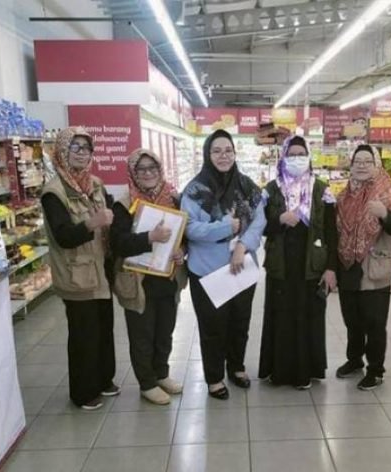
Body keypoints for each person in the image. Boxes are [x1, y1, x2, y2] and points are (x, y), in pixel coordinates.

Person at [181, 129, 266, 400]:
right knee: (213, 327)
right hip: (207, 270)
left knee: (240, 322)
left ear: (234, 153)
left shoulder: (247, 186)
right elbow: (189, 228)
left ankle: (237, 366)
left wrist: (242, 246)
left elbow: (259, 221)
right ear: (208, 154)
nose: (223, 156)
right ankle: (214, 377)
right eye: (216, 151)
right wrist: (225, 227)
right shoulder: (194, 191)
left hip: (241, 267)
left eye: (228, 150)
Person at [41, 127, 118, 410]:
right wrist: (92, 223)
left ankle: (104, 379)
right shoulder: (54, 192)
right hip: (76, 274)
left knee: (104, 328)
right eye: (75, 147)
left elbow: (113, 214)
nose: (82, 153)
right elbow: (63, 236)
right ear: (62, 151)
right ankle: (83, 393)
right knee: (84, 335)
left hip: (101, 270)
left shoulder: (95, 184)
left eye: (86, 148)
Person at [258, 135, 338, 389]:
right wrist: (279, 220)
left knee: (308, 317)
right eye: (291, 155)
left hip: (311, 266)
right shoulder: (271, 189)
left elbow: (331, 232)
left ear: (308, 157)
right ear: (283, 158)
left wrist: (331, 268)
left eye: (301, 154)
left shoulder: (321, 190)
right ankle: (279, 371)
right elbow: (261, 227)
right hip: (280, 265)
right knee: (281, 317)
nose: (296, 159)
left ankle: (306, 371)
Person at [110, 149, 186, 405]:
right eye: (141, 169)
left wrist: (181, 252)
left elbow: (183, 236)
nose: (148, 173)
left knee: (165, 331)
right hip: (138, 282)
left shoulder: (172, 199)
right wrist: (149, 238)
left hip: (167, 279)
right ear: (133, 173)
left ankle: (161, 374)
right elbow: (118, 243)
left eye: (152, 168)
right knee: (142, 335)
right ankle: (147, 383)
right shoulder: (124, 205)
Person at [335, 144, 391, 390]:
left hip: (375, 267)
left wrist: (384, 213)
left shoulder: (387, 193)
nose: (362, 166)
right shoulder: (343, 196)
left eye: (368, 161)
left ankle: (376, 370)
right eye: (358, 161)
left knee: (374, 323)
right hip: (348, 266)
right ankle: (354, 360)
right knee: (352, 319)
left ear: (376, 165)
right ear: (351, 165)